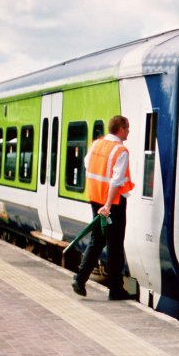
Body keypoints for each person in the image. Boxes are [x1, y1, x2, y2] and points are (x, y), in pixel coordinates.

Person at [71, 115, 135, 300]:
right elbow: (116, 180)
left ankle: (80, 279)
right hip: (112, 203)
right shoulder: (120, 151)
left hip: (95, 198)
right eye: (128, 127)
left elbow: (86, 164)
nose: (129, 130)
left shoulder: (96, 144)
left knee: (97, 239)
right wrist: (108, 205)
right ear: (121, 128)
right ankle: (115, 290)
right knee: (114, 243)